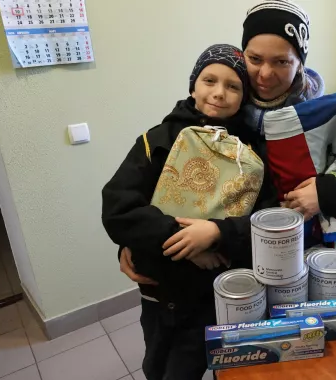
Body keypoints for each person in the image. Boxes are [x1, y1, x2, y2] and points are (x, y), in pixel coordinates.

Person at [117, 0, 336, 284]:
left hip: (302, 269)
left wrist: (326, 193)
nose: (265, 74)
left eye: (281, 61)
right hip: (229, 275)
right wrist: (145, 241)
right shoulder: (219, 116)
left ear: (300, 63)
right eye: (255, 59)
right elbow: (167, 189)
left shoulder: (329, 117)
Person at [101, 44, 276, 380]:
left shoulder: (252, 154)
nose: (219, 93)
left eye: (233, 86)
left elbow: (264, 220)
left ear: (245, 96)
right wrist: (184, 241)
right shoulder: (158, 141)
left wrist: (216, 236)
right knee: (157, 364)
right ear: (193, 85)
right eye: (209, 80)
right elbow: (119, 208)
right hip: (159, 288)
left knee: (202, 364)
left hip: (216, 295)